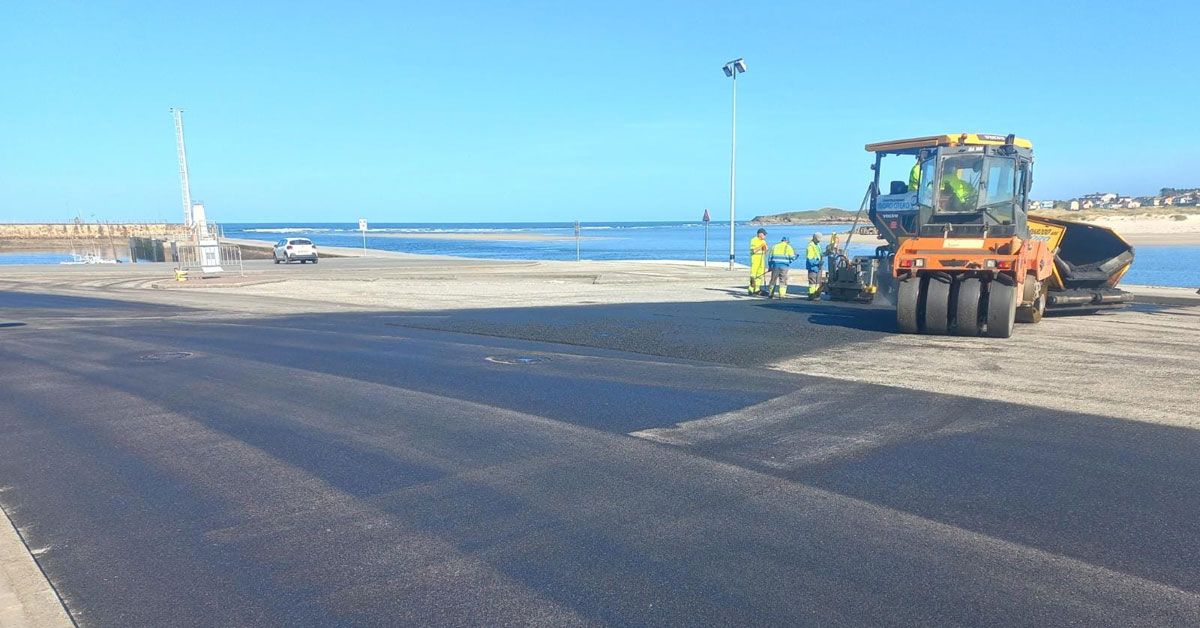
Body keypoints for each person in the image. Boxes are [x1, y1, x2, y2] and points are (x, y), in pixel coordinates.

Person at [748, 228, 768, 295]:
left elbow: (765, 252)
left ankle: (757, 289)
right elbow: (753, 251)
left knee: (760, 275)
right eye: (764, 234)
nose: (764, 236)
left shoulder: (763, 241)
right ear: (760, 234)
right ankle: (751, 289)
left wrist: (765, 248)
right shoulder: (754, 240)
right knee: (753, 275)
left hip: (761, 260)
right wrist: (761, 246)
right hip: (755, 260)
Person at [806, 233, 823, 300]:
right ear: (814, 238)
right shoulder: (810, 246)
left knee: (818, 281)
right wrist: (817, 262)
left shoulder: (818, 245)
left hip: (818, 266)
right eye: (818, 239)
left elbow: (820, 254)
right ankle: (812, 295)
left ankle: (817, 294)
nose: (819, 241)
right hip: (813, 266)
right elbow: (810, 259)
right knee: (812, 282)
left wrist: (826, 253)